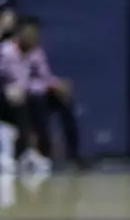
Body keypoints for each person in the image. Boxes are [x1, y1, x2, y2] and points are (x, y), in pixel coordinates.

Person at [0, 18, 78, 166]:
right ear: (19, 33)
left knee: (61, 100)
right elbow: (16, 82)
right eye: (30, 33)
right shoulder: (6, 52)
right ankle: (21, 155)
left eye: (36, 34)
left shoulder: (36, 52)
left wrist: (56, 85)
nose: (33, 37)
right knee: (28, 102)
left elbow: (44, 77)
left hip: (27, 96)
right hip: (6, 99)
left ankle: (71, 155)